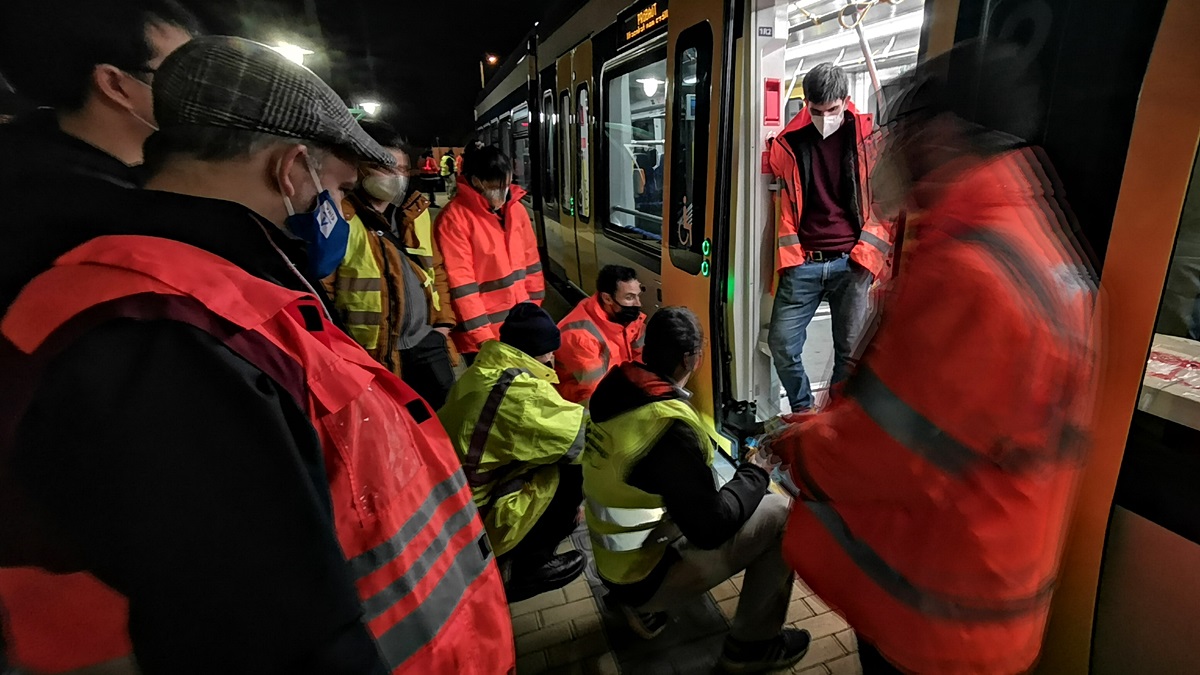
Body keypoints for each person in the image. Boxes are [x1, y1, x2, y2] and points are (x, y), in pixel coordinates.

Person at [0, 36, 514, 674]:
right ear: (291, 168)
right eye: (337, 187)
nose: (337, 209)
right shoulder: (167, 337)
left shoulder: (191, 292)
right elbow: (276, 632)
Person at [771, 41, 1098, 674]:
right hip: (987, 588)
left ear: (941, 138)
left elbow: (894, 449)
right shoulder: (1026, 235)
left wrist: (800, 450)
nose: (888, 149)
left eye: (904, 132)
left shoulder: (970, 271)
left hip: (941, 616)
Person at [583, 307, 811, 673]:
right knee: (780, 515)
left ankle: (637, 606)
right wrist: (754, 473)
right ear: (692, 358)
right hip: (643, 577)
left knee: (714, 493)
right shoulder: (669, 428)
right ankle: (752, 647)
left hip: (612, 563)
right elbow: (710, 529)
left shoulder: (616, 389)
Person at [0, 0, 196, 312]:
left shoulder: (27, 154)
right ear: (115, 84)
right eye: (187, 74)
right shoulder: (98, 223)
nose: (204, 89)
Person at [767, 62, 895, 412]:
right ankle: (804, 411)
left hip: (852, 264)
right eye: (816, 110)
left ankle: (834, 420)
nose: (825, 117)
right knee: (781, 343)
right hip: (804, 262)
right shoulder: (789, 143)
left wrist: (865, 256)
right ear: (806, 104)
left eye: (833, 110)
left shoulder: (871, 139)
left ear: (846, 100)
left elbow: (885, 201)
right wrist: (794, 260)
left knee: (849, 354)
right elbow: (786, 200)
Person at [439, 303, 587, 601]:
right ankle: (530, 566)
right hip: (476, 518)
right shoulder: (517, 393)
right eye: (549, 352)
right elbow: (582, 438)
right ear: (534, 352)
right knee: (572, 469)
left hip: (453, 502)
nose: (552, 358)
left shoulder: (483, 370)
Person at [327, 119, 458, 408]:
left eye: (401, 169)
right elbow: (325, 291)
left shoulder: (415, 211)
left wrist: (444, 325)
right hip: (376, 352)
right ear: (360, 168)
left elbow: (436, 270)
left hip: (428, 341)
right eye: (385, 168)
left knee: (446, 421)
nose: (396, 177)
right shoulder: (341, 219)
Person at [436, 145, 544, 364]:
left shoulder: (516, 210)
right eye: (497, 185)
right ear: (477, 182)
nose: (504, 191)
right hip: (482, 339)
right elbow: (461, 285)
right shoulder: (454, 219)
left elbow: (532, 265)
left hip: (520, 329)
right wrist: (484, 340)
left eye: (507, 183)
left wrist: (534, 315)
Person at [554, 264, 646, 405]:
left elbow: (642, 360)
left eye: (638, 296)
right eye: (629, 297)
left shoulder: (629, 319)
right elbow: (594, 394)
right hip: (584, 407)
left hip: (616, 391)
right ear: (607, 298)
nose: (637, 303)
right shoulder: (579, 337)